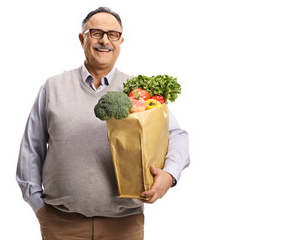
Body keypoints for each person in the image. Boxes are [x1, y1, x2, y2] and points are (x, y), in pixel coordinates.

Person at [16, 7, 190, 240]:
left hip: (124, 225)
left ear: (121, 41)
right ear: (82, 39)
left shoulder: (137, 90)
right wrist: (38, 206)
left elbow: (177, 134)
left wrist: (169, 175)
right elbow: (31, 149)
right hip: (61, 224)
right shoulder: (53, 87)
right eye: (96, 33)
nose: (105, 40)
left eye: (113, 34)